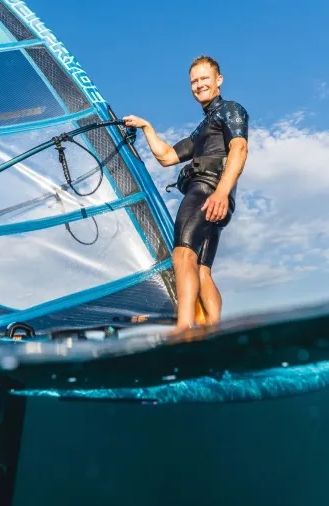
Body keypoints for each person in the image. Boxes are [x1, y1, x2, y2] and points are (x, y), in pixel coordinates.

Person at [123, 55, 248, 331]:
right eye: (194, 81)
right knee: (202, 271)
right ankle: (213, 331)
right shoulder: (203, 129)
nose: (199, 85)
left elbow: (239, 149)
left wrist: (220, 193)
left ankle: (184, 329)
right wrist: (146, 127)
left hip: (207, 192)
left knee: (182, 255)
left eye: (204, 78)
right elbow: (167, 156)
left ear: (218, 80)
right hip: (217, 199)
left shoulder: (231, 110)